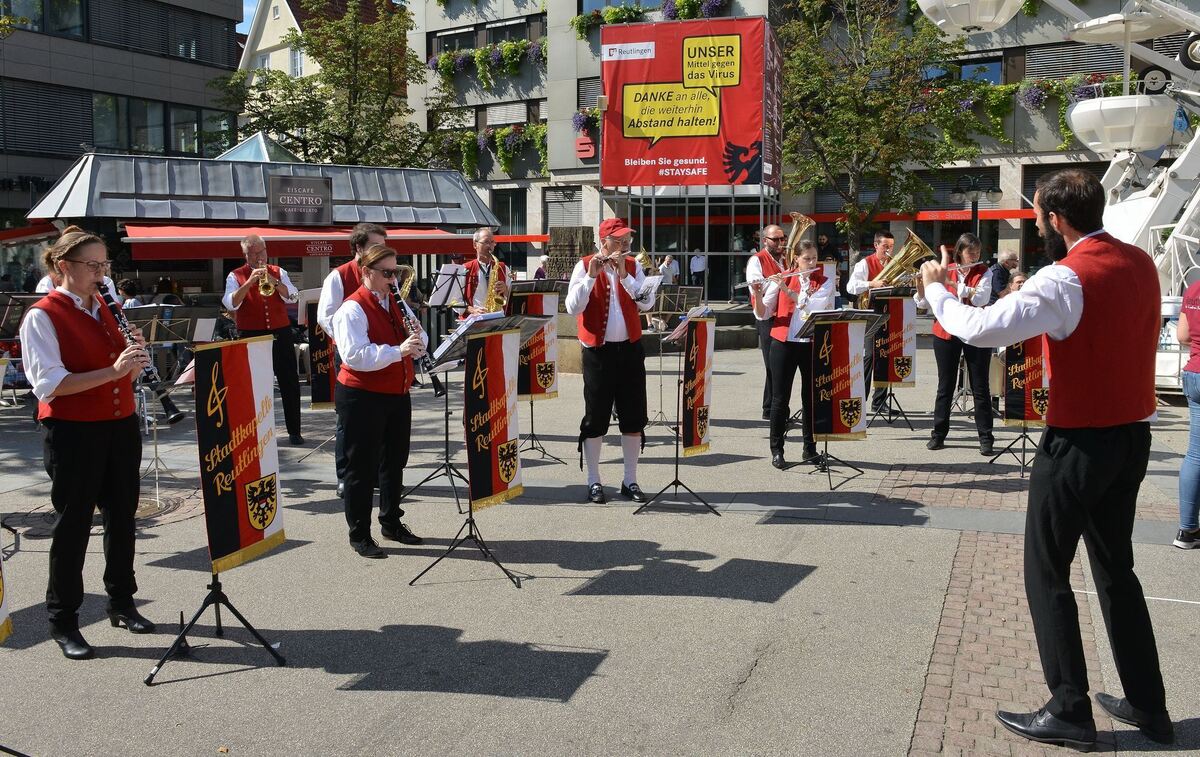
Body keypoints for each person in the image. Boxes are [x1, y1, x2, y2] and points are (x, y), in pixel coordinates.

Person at [920, 168, 1172, 749]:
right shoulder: (1137, 262)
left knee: (1046, 570)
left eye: (1038, 216)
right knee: (1116, 571)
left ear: (1056, 220)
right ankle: (1147, 703)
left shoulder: (1065, 278)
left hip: (1080, 440)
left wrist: (935, 287)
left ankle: (1070, 707)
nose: (1037, 224)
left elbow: (979, 330)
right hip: (1131, 435)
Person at [18, 226, 157, 659]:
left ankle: (121, 601)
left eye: (105, 265)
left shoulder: (107, 307)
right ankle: (63, 620)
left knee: (122, 517)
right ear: (64, 266)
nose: (102, 274)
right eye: (93, 266)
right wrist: (114, 371)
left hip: (118, 425)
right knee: (73, 525)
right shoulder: (43, 315)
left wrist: (135, 364)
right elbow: (50, 384)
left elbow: (120, 371)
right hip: (73, 431)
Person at [331, 244, 427, 558]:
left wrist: (417, 342)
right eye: (387, 273)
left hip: (395, 393)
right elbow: (355, 356)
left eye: (396, 272)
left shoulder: (395, 302)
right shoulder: (352, 309)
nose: (393, 280)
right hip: (362, 396)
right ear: (368, 273)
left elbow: (420, 336)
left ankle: (391, 521)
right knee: (362, 467)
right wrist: (398, 351)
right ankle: (359, 534)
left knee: (394, 461)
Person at [564, 217, 655, 504]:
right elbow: (572, 307)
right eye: (618, 240)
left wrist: (626, 275)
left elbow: (647, 303)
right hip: (597, 352)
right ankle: (594, 480)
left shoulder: (635, 266)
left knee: (633, 416)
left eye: (626, 239)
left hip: (629, 350)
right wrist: (591, 277)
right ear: (605, 241)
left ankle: (630, 480)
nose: (625, 244)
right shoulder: (584, 265)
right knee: (596, 417)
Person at [317, 222, 388, 498]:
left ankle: (376, 475)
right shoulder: (338, 276)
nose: (379, 251)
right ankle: (345, 476)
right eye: (374, 246)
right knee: (348, 420)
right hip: (351, 354)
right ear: (358, 248)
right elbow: (326, 316)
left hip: (382, 353)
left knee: (381, 416)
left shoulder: (385, 273)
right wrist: (352, 339)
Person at [755, 240, 835, 467]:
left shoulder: (825, 282)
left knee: (810, 397)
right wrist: (758, 293)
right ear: (796, 259)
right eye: (806, 259)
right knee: (780, 399)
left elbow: (810, 307)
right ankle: (777, 449)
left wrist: (786, 289)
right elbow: (762, 314)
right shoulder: (782, 278)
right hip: (783, 343)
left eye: (814, 258)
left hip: (811, 343)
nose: (811, 262)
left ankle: (809, 449)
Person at [914, 233, 994, 455]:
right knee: (945, 386)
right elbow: (924, 302)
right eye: (970, 252)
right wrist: (922, 286)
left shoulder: (984, 271)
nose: (974, 256)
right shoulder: (944, 268)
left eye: (977, 252)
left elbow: (981, 299)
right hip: (946, 331)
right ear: (960, 252)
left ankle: (986, 438)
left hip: (976, 331)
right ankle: (938, 434)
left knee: (980, 387)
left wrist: (954, 285)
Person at [222, 234, 304, 445]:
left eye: (263, 251)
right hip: (251, 335)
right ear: (246, 254)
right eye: (255, 253)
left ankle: (294, 430)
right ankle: (257, 432)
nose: (260, 256)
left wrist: (274, 282)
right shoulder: (235, 275)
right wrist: (249, 282)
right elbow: (231, 304)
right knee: (255, 385)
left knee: (289, 381)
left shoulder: (279, 271)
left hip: (281, 332)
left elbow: (293, 296)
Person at [844, 230, 895, 413]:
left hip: (889, 315)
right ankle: (859, 401)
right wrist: (872, 284)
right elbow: (851, 287)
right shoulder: (864, 264)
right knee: (868, 357)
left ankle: (879, 402)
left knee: (884, 357)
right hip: (868, 315)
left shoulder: (893, 264)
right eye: (885, 246)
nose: (889, 250)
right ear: (876, 245)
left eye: (891, 247)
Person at [746, 224, 788, 421]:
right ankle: (772, 409)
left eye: (782, 239)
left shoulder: (784, 260)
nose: (780, 243)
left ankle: (772, 407)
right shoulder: (757, 260)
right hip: (766, 317)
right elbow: (756, 285)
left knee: (780, 365)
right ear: (765, 241)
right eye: (775, 239)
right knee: (773, 365)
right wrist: (774, 280)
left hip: (783, 315)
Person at [1175, 279, 1200, 549]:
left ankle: (1187, 529)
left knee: (1195, 454)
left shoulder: (1193, 288)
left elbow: (1182, 336)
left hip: (1194, 372)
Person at [462, 227, 510, 316]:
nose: (490, 246)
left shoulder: (503, 268)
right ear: (475, 245)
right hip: (474, 320)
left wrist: (506, 290)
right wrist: (472, 310)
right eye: (486, 242)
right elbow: (454, 301)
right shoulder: (465, 269)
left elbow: (514, 297)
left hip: (497, 319)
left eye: (492, 242)